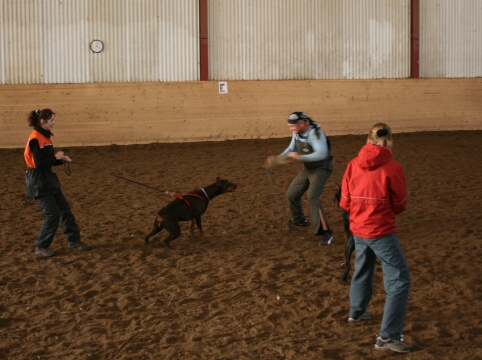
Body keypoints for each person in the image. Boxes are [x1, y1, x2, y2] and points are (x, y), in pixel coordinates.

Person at [339, 123, 413, 353]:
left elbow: (344, 201)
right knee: (400, 280)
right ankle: (388, 337)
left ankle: (357, 312)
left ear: (368, 138)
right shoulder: (393, 167)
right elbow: (400, 203)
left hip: (358, 227)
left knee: (363, 266)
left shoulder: (353, 164)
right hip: (380, 230)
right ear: (389, 140)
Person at [24, 109, 91, 257]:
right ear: (43, 122)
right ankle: (41, 246)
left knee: (65, 210)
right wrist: (56, 157)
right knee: (52, 214)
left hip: (48, 179)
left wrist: (61, 160)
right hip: (38, 182)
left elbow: (48, 161)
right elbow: (39, 163)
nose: (54, 123)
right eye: (51, 120)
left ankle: (73, 240)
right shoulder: (36, 138)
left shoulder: (45, 137)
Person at [267, 111, 334, 245]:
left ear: (303, 123)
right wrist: (279, 158)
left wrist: (299, 157)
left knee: (312, 196)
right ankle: (299, 220)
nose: (291, 129)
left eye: (293, 126)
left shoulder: (316, 134)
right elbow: (291, 148)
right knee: (292, 194)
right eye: (290, 126)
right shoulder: (297, 132)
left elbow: (321, 154)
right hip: (308, 168)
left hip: (321, 168)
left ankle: (327, 233)